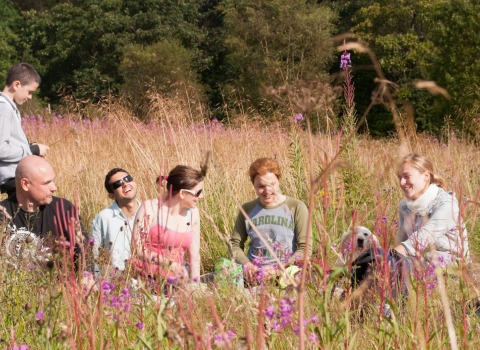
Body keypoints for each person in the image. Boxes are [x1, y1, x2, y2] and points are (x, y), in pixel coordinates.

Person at [229, 157, 311, 285]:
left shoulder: (296, 206)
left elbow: (305, 248)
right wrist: (247, 265)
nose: (267, 191)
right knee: (223, 270)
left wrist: (279, 269)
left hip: (286, 271)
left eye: (271, 184)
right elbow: (234, 244)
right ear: (253, 185)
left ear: (278, 181)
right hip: (253, 272)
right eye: (261, 186)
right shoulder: (247, 209)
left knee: (299, 278)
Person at [0, 156, 86, 267]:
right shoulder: (2, 214)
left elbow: (83, 250)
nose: (54, 187)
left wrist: (85, 274)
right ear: (25, 184)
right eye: (46, 183)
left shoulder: (63, 209)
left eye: (53, 181)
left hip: (58, 282)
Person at [132, 165, 205, 283]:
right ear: (182, 193)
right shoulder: (150, 208)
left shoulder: (193, 213)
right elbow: (137, 249)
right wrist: (169, 264)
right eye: (198, 192)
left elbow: (194, 255)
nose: (201, 196)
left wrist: (195, 284)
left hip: (175, 280)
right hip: (145, 278)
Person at [393, 152, 469, 264]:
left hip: (450, 264)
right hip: (417, 261)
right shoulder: (404, 206)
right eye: (400, 178)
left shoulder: (447, 203)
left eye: (407, 176)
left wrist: (395, 253)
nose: (402, 183)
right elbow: (401, 241)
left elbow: (427, 235)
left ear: (426, 176)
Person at [0, 63, 50, 197]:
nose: (30, 97)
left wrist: (29, 147)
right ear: (16, 85)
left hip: (17, 179)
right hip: (12, 181)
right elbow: (1, 149)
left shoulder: (8, 108)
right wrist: (32, 150)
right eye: (29, 92)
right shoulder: (3, 108)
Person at [90, 168, 141, 274]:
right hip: (116, 283)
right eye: (117, 184)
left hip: (147, 282)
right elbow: (93, 257)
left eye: (127, 178)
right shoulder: (103, 218)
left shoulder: (150, 213)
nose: (125, 184)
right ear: (111, 195)